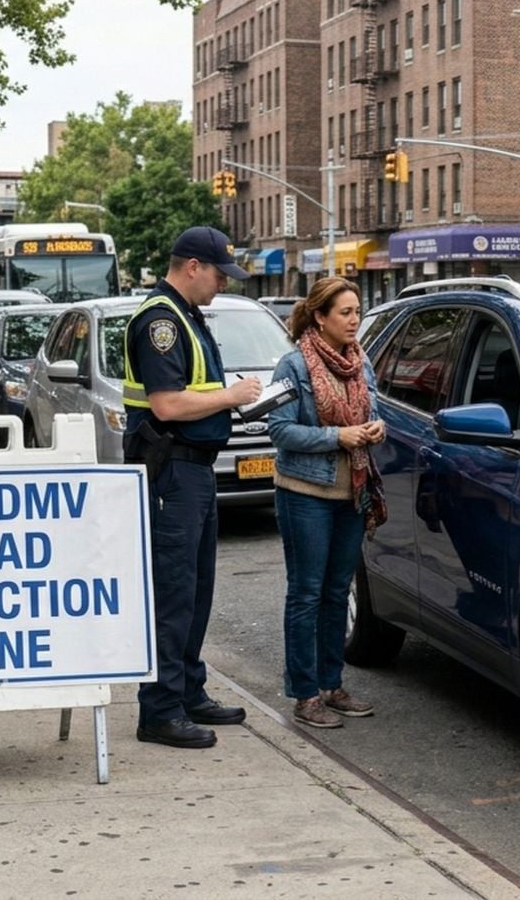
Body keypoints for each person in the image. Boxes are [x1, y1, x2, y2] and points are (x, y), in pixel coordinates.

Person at [122, 226, 262, 749]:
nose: (223, 284)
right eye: (219, 274)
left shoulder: (188, 315)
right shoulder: (161, 320)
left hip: (195, 470)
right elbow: (167, 404)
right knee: (174, 592)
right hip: (171, 472)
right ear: (192, 267)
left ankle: (188, 691)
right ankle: (159, 710)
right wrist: (230, 397)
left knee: (198, 588)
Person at [268, 277, 387, 729]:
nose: (354, 320)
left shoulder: (361, 361)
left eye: (357, 311)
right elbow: (280, 431)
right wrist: (338, 436)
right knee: (307, 593)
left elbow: (374, 413)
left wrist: (376, 429)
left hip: (352, 492)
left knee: (339, 592)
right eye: (345, 312)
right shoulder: (293, 366)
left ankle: (332, 684)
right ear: (320, 316)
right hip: (305, 493)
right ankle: (304, 694)